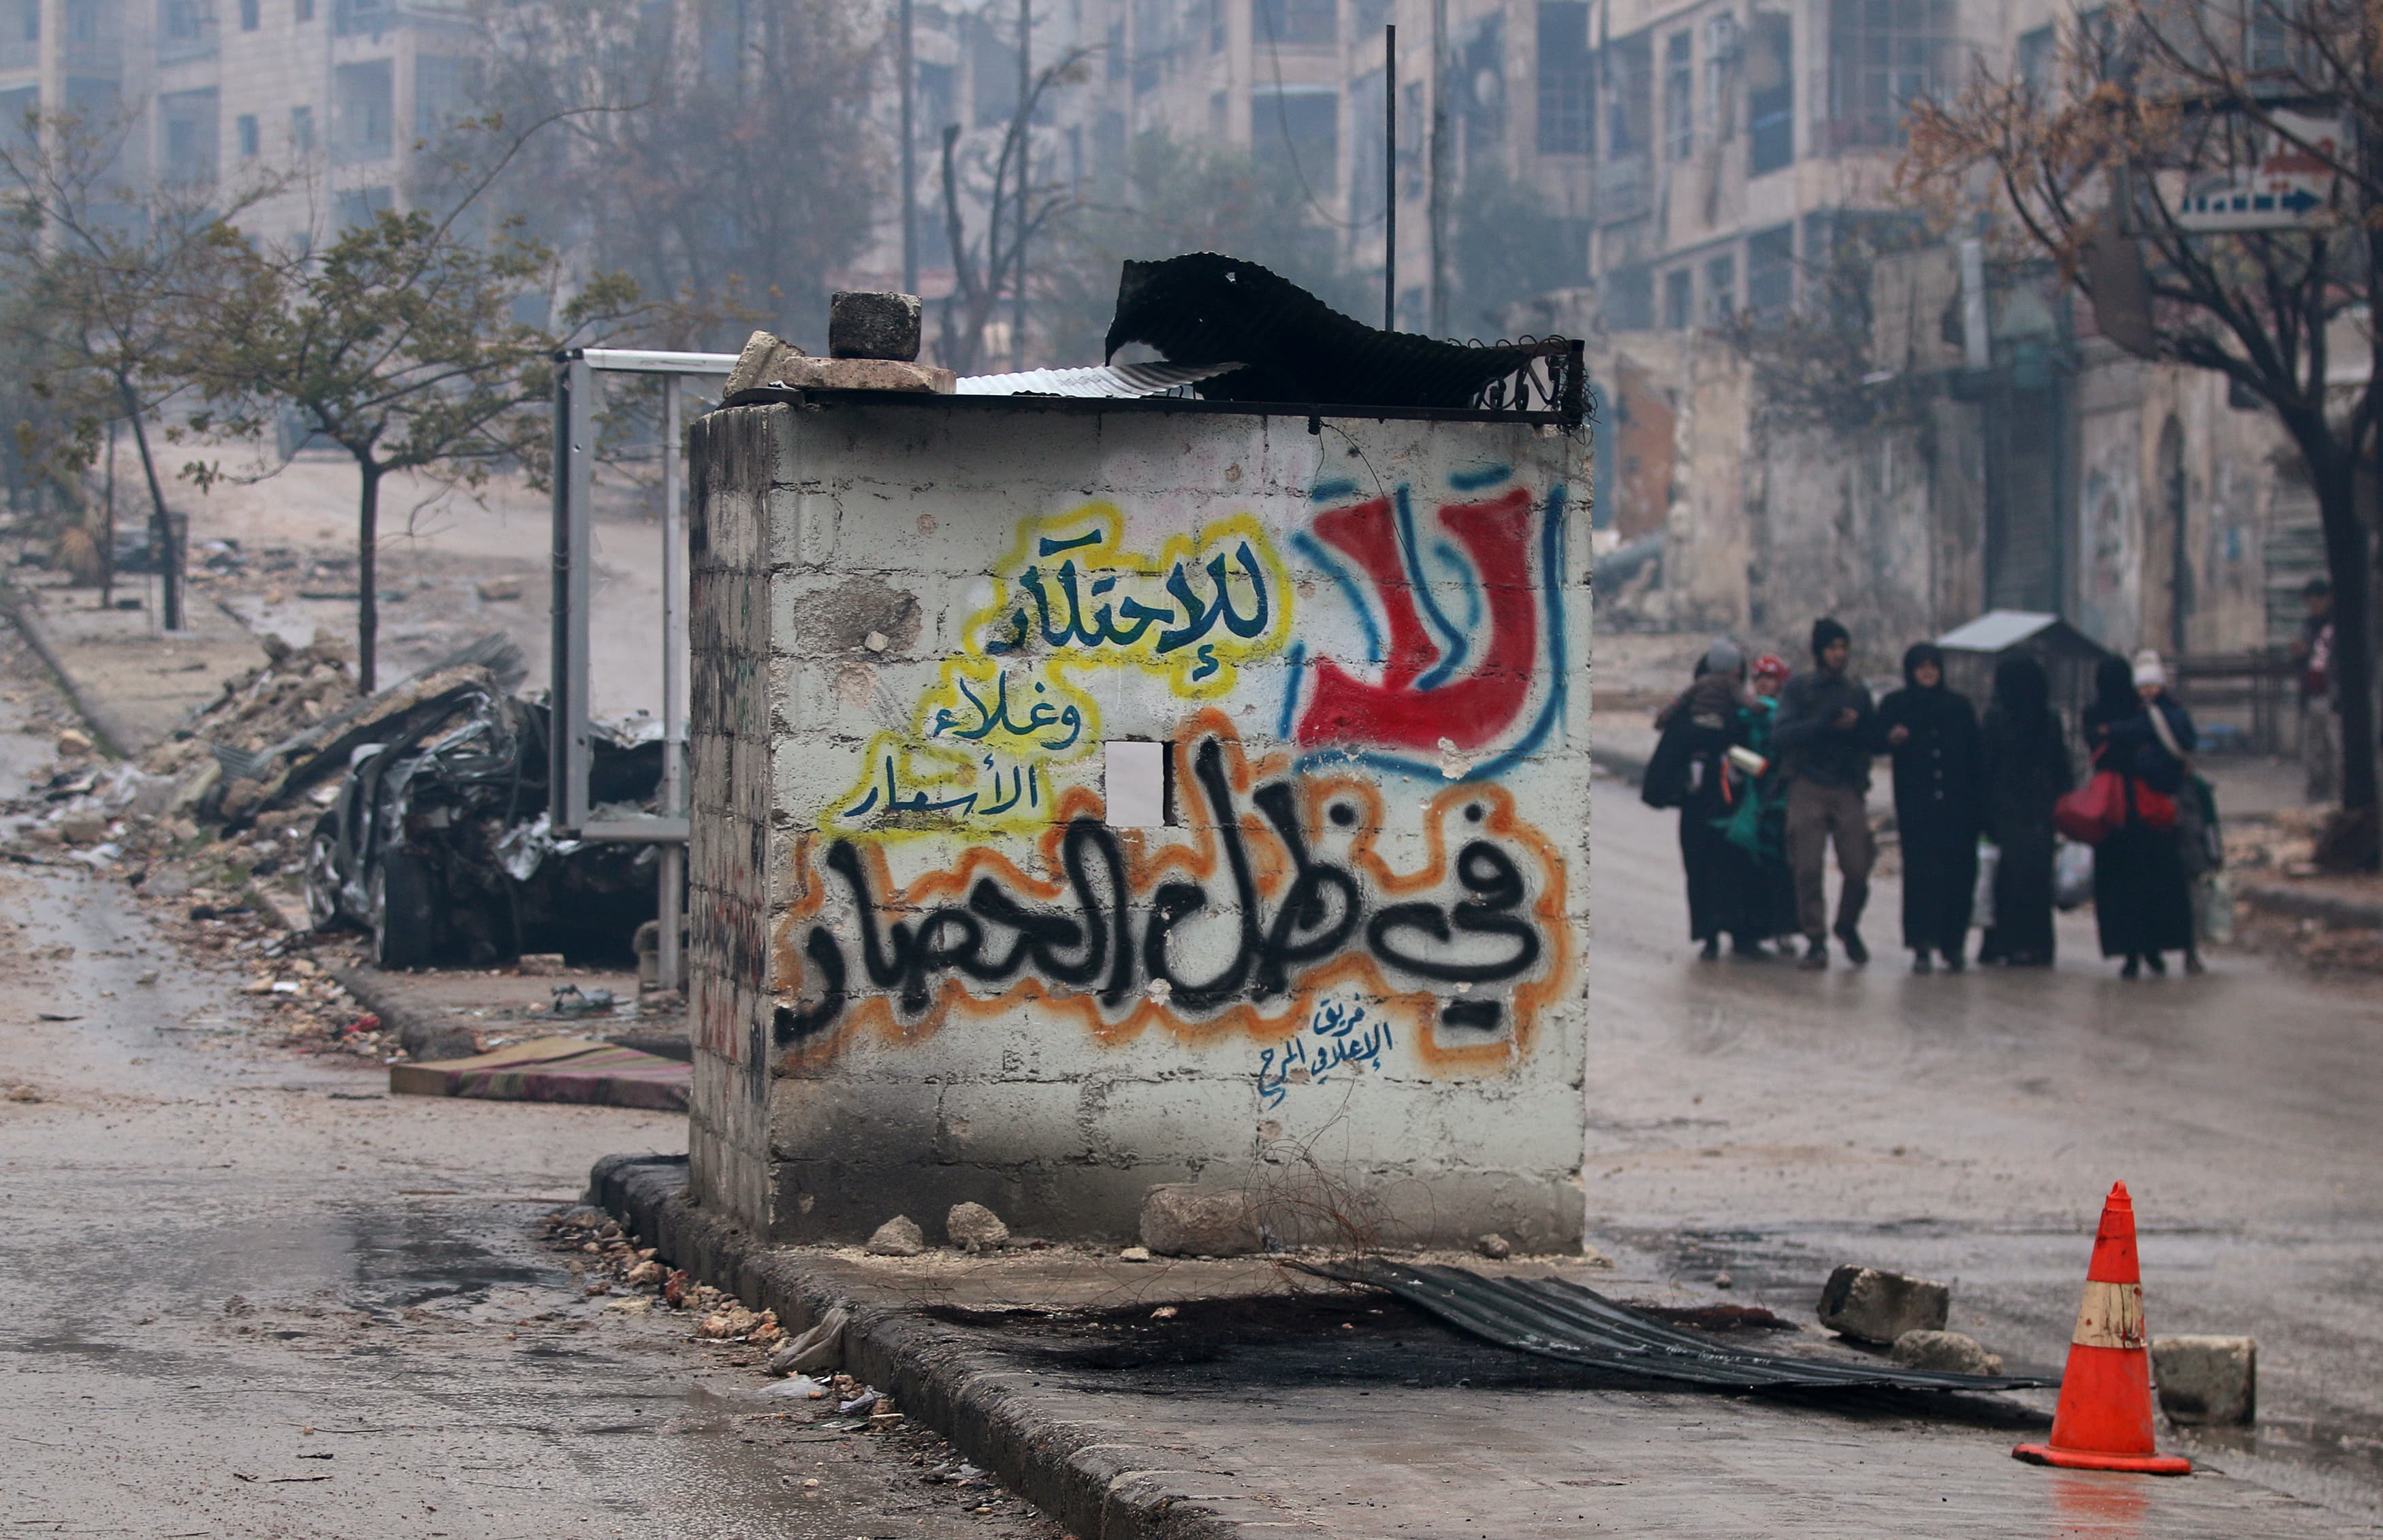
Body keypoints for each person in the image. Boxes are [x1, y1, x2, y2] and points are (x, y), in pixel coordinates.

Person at [1649, 640, 1770, 960]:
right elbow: (1672, 748)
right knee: (1703, 868)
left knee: (1735, 868)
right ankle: (1712, 935)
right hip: (1703, 804)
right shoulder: (1710, 712)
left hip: (1733, 805)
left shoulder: (1732, 713)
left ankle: (1737, 935)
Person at [2083, 651, 2198, 978]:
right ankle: (2154, 949)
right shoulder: (2143, 711)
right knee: (2157, 883)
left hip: (2115, 815)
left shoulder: (2107, 715)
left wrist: (2116, 735)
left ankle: (2131, 952)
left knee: (2121, 888)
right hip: (2148, 813)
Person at [1773, 617, 1878, 969]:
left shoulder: (1857, 693)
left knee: (1859, 865)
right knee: (1806, 866)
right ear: (1820, 651)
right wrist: (1822, 723)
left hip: (1846, 784)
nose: (1840, 655)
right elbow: (1782, 734)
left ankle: (1847, 926)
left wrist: (1860, 729)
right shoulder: (1800, 690)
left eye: (1844, 648)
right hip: (1808, 782)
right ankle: (1816, 939)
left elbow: (1871, 740)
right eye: (1833, 648)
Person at [1874, 643, 1983, 973]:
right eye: (1921, 667)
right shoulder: (1897, 705)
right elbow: (1874, 741)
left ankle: (1953, 944)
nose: (1927, 673)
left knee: (1958, 877)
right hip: (1917, 807)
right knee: (1922, 877)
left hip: (1958, 808)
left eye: (1932, 666)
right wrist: (1891, 739)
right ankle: (1922, 943)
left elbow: (1975, 757)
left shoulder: (1959, 707)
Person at [1976, 654, 2070, 967]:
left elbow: (1985, 769)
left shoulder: (1998, 719)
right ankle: (2028, 944)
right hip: (2030, 810)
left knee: (2012, 878)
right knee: (2029, 878)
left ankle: (2005, 942)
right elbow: (2062, 768)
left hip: (2013, 809)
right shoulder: (2043, 718)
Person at [2292, 576, 2338, 804]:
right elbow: (2303, 661)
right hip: (2313, 693)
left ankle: (2337, 792)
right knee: (2314, 749)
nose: (2313, 607)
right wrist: (2300, 655)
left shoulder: (2338, 625)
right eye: (2309, 603)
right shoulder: (2307, 626)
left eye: (2316, 602)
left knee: (2335, 747)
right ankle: (2316, 792)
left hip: (2333, 695)